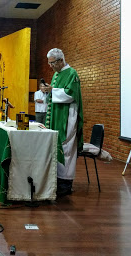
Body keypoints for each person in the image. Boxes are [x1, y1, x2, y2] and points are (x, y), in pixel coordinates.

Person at [43, 48, 84, 197]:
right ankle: (56, 179)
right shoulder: (56, 74)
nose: (51, 66)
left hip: (67, 117)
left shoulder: (72, 73)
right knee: (56, 146)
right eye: (49, 63)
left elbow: (71, 94)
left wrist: (52, 90)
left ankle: (65, 183)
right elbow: (55, 92)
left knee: (66, 148)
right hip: (56, 115)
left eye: (53, 63)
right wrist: (49, 90)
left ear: (61, 60)